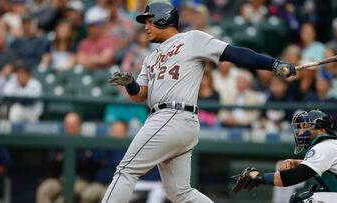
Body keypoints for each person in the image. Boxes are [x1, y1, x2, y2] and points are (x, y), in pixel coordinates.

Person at [105, 2, 296, 203]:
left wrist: (273, 64)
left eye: (150, 21)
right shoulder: (150, 58)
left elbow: (234, 53)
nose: (145, 27)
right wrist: (130, 83)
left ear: (164, 19)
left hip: (171, 116)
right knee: (180, 193)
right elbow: (140, 95)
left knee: (125, 171)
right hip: (174, 120)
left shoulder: (192, 39)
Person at [232, 110, 337, 202]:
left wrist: (260, 179)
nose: (300, 132)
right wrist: (296, 162)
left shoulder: (325, 146)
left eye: (305, 127)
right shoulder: (329, 145)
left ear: (322, 129)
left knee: (306, 200)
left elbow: (295, 176)